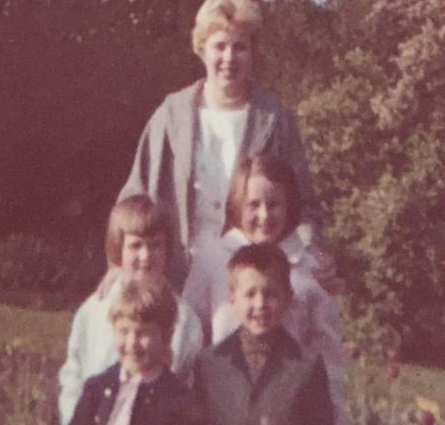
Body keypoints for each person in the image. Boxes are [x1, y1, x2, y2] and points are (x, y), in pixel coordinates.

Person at [117, 0, 328, 288]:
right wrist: (116, 262)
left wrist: (314, 253)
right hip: (175, 277)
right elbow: (133, 203)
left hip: (253, 284)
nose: (229, 58)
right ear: (202, 48)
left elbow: (304, 207)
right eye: (219, 46)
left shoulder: (276, 118)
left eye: (240, 47)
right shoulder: (170, 115)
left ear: (253, 51)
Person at [182, 155, 348, 425]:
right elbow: (186, 337)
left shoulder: (310, 269)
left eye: (274, 205)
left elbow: (329, 362)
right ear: (238, 204)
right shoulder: (212, 261)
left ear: (289, 205)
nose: (264, 216)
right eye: (254, 205)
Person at [59, 196, 203, 425]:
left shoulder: (185, 319)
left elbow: (187, 386)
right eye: (136, 246)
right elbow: (74, 376)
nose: (146, 257)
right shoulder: (95, 309)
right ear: (119, 249)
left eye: (155, 245)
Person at [193, 243, 335, 425]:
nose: (260, 304)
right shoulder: (209, 365)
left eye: (270, 294)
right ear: (232, 297)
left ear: (288, 297)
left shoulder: (308, 366)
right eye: (250, 294)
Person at [68, 275, 202, 425]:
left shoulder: (177, 399)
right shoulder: (96, 389)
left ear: (166, 336)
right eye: (124, 331)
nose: (132, 343)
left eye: (143, 333)